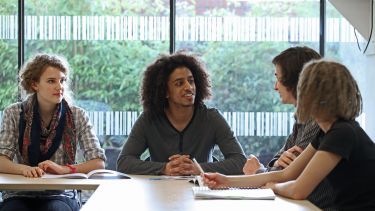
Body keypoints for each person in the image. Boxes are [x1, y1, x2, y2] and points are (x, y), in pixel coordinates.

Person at [203, 60, 375, 210]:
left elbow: (298, 190)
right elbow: (285, 175)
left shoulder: (341, 133)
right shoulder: (328, 132)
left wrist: (273, 187)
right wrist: (226, 181)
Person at [0, 54, 106, 211]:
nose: (59, 86)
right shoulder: (14, 113)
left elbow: (98, 163)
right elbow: (1, 161)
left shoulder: (77, 115)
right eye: (51, 81)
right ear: (34, 84)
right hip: (19, 194)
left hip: (60, 195)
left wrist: (63, 169)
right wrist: (25, 169)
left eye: (62, 80)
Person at [116, 52, 246, 175]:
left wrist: (199, 169)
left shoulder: (212, 118)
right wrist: (164, 168)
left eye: (191, 81)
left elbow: (240, 162)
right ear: (165, 91)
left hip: (203, 190)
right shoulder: (148, 119)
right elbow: (124, 162)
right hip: (161, 192)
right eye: (179, 83)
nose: (189, 87)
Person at [242, 46, 334, 209]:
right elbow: (281, 163)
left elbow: (291, 174)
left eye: (279, 79)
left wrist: (258, 173)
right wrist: (274, 165)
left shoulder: (320, 121)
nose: (275, 87)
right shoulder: (302, 116)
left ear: (297, 82)